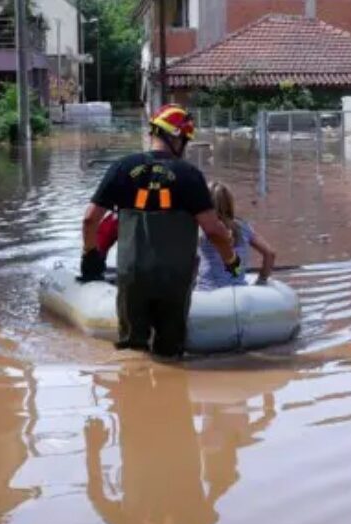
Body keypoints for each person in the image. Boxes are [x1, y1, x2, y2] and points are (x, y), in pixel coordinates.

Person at [79, 104, 238, 358]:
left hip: (133, 276)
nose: (184, 146)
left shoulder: (121, 168)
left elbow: (89, 220)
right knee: (170, 353)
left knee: (132, 351)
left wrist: (90, 256)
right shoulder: (190, 176)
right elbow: (214, 231)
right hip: (174, 279)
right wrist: (233, 262)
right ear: (175, 136)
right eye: (184, 140)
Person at [196, 182, 276, 291]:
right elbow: (270, 254)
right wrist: (261, 281)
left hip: (208, 291)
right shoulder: (244, 227)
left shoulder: (202, 229)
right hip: (238, 291)